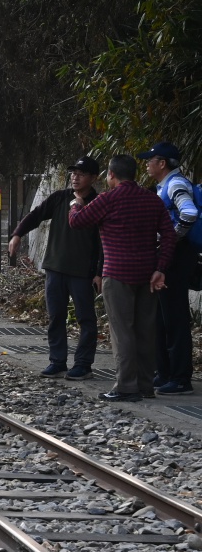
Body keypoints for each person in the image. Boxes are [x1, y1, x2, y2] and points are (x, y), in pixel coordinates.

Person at [69, 154, 176, 403]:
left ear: (111, 175)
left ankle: (126, 386)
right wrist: (161, 267)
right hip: (148, 275)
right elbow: (169, 236)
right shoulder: (152, 200)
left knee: (122, 333)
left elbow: (77, 221)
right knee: (145, 331)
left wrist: (75, 203)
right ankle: (146, 385)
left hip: (117, 275)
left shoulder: (108, 199)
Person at [8, 156, 104, 379]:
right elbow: (36, 215)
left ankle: (83, 364)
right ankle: (57, 361)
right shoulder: (60, 198)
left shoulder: (98, 203)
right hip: (55, 267)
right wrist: (17, 234)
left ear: (93, 178)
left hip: (82, 272)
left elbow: (102, 243)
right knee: (56, 317)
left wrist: (99, 272)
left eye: (81, 174)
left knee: (86, 319)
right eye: (73, 173)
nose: (75, 177)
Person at [141, 141, 199, 394]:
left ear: (162, 163)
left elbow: (189, 213)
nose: (146, 164)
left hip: (176, 258)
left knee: (174, 318)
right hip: (170, 256)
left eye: (150, 160)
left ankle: (180, 378)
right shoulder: (165, 185)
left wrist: (170, 240)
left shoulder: (175, 184)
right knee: (163, 318)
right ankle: (164, 373)